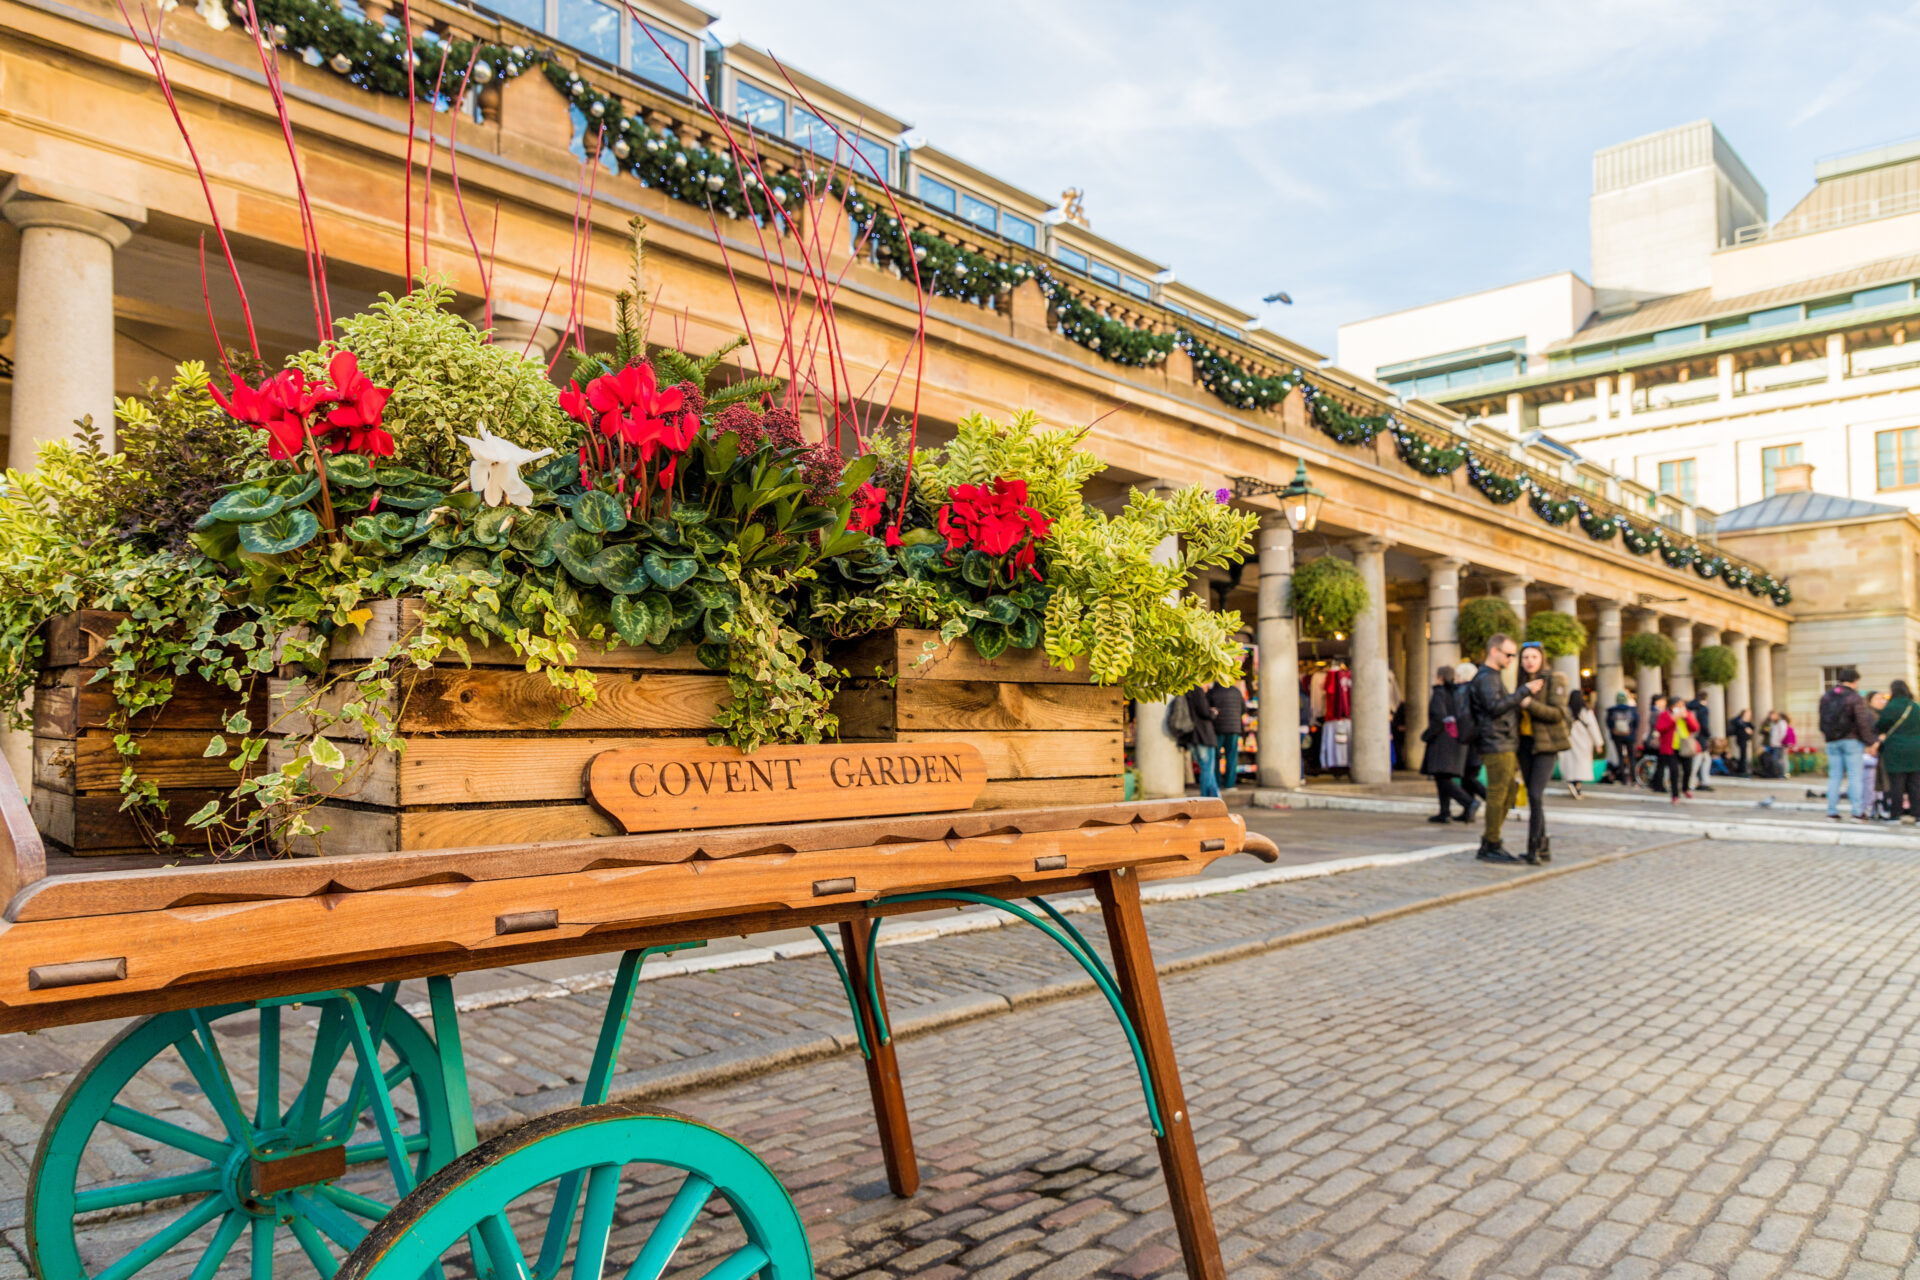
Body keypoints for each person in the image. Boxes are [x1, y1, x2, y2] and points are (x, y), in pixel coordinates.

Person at [1467, 634, 1545, 864]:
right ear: (1494, 652)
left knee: (1508, 792)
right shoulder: (1487, 677)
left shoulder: (1493, 677)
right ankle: (1491, 843)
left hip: (1503, 741)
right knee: (1498, 793)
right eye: (1509, 654)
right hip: (1495, 742)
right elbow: (1494, 708)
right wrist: (1523, 692)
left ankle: (1490, 840)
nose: (1512, 659)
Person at [1513, 642, 1569, 863]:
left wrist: (1528, 703)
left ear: (1542, 658)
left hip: (1546, 745)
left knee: (1535, 795)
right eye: (1525, 657)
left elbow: (1558, 714)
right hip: (1525, 745)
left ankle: (1533, 848)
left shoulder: (1555, 679)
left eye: (1534, 657)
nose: (1529, 661)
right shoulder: (1521, 683)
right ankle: (1543, 847)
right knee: (1534, 798)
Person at [1818, 667, 1877, 822]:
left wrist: (1828, 736)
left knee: (1834, 777)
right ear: (1855, 681)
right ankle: (1857, 812)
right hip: (1851, 741)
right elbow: (1862, 722)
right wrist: (1869, 742)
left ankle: (1832, 811)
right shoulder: (1854, 698)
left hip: (1832, 741)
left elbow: (1821, 721)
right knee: (1854, 776)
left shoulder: (1826, 696)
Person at [1419, 668, 1477, 823]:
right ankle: (1445, 812)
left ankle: (1468, 802)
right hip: (1457, 740)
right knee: (1442, 777)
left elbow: (1439, 717)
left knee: (1442, 778)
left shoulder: (1440, 693)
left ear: (1439, 677)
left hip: (1442, 741)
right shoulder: (1459, 693)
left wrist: (1427, 735)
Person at [1875, 680, 1920, 824]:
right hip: (1916, 749)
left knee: (1896, 784)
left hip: (1895, 749)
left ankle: (1895, 814)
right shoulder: (1915, 707)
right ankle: (1917, 814)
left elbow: (1880, 726)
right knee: (1915, 783)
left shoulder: (1891, 707)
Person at [1454, 662, 1487, 819]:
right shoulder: (1477, 690)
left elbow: (1462, 716)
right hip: (1476, 739)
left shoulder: (1464, 691)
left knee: (1468, 778)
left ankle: (1487, 800)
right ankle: (1468, 811)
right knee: (1468, 778)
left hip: (1469, 740)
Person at [1654, 695, 1700, 803]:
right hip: (1671, 747)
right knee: (1674, 771)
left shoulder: (1687, 714)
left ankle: (1685, 788)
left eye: (1682, 705)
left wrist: (1686, 718)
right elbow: (1660, 728)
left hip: (1685, 746)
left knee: (1688, 769)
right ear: (1671, 706)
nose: (1680, 707)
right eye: (1677, 705)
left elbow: (1695, 728)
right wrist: (1673, 719)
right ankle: (1675, 795)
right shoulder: (1665, 715)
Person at [1207, 678, 1247, 792]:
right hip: (1234, 728)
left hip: (1217, 729)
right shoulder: (1236, 691)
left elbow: (1207, 710)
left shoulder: (1213, 692)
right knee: (1231, 757)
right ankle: (1230, 784)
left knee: (1215, 757)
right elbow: (1243, 709)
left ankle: (1217, 783)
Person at [1179, 684, 1219, 799]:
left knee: (1206, 768)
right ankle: (1207, 797)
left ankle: (1214, 797)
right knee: (1207, 768)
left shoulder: (1185, 690)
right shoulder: (1196, 690)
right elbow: (1204, 712)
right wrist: (1212, 713)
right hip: (1203, 735)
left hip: (1193, 736)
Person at [1563, 687, 1603, 800]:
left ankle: (1572, 781)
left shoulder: (1566, 711)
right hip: (1584, 741)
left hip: (1570, 740)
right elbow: (1593, 727)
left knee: (1571, 763)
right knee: (1581, 764)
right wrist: (1598, 743)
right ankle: (1577, 785)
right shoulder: (1586, 711)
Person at [1604, 691, 1639, 786]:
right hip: (1629, 735)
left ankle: (1623, 778)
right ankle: (1634, 778)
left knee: (1620, 756)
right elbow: (1636, 721)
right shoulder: (1631, 710)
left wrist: (1613, 730)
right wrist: (1632, 731)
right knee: (1631, 757)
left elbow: (1608, 722)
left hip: (1617, 736)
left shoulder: (1612, 710)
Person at [1686, 691, 1714, 792]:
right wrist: (1708, 735)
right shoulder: (1703, 709)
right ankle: (1693, 782)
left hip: (1690, 736)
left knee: (1704, 759)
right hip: (1700, 737)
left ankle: (1703, 781)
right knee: (1698, 761)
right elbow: (1704, 725)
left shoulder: (1689, 707)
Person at [1729, 709, 1754, 776]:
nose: (1748, 716)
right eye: (1747, 714)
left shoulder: (1747, 722)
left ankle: (1743, 769)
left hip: (1745, 740)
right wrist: (1745, 728)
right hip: (1741, 739)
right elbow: (1735, 722)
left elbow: (1752, 727)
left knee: (1744, 755)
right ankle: (1741, 770)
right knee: (1743, 755)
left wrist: (1749, 730)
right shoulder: (1739, 721)